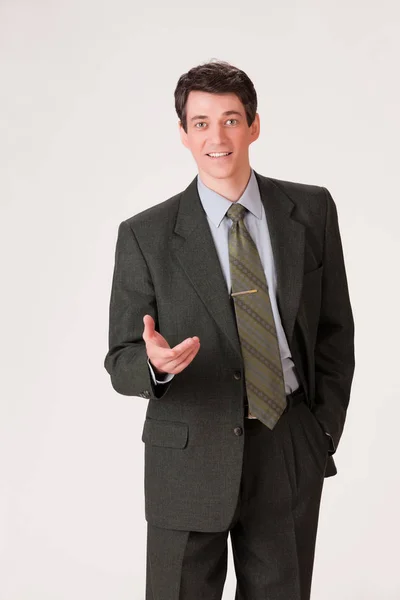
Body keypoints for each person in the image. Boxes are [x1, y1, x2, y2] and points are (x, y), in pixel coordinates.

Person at [104, 59, 355, 600]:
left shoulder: (311, 211)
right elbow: (121, 358)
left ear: (254, 125)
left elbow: (336, 331)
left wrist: (320, 432)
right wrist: (154, 365)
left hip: (287, 443)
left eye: (230, 120)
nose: (216, 136)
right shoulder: (145, 235)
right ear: (183, 134)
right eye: (200, 122)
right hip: (187, 452)